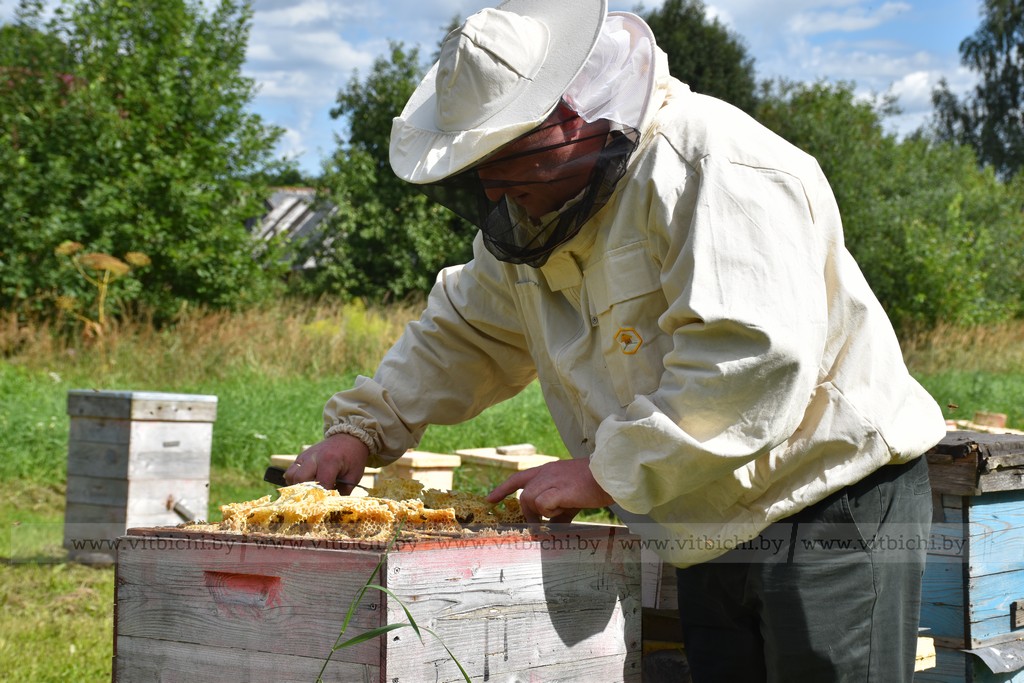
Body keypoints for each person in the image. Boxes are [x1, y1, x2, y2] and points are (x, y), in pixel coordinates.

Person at [285, 1, 947, 680]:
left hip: (825, 499)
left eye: (504, 158)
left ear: (568, 119)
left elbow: (751, 359)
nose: (491, 184)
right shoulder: (539, 215)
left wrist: (604, 470)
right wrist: (361, 430)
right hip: (702, 515)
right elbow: (465, 332)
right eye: (478, 164)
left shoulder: (711, 164)